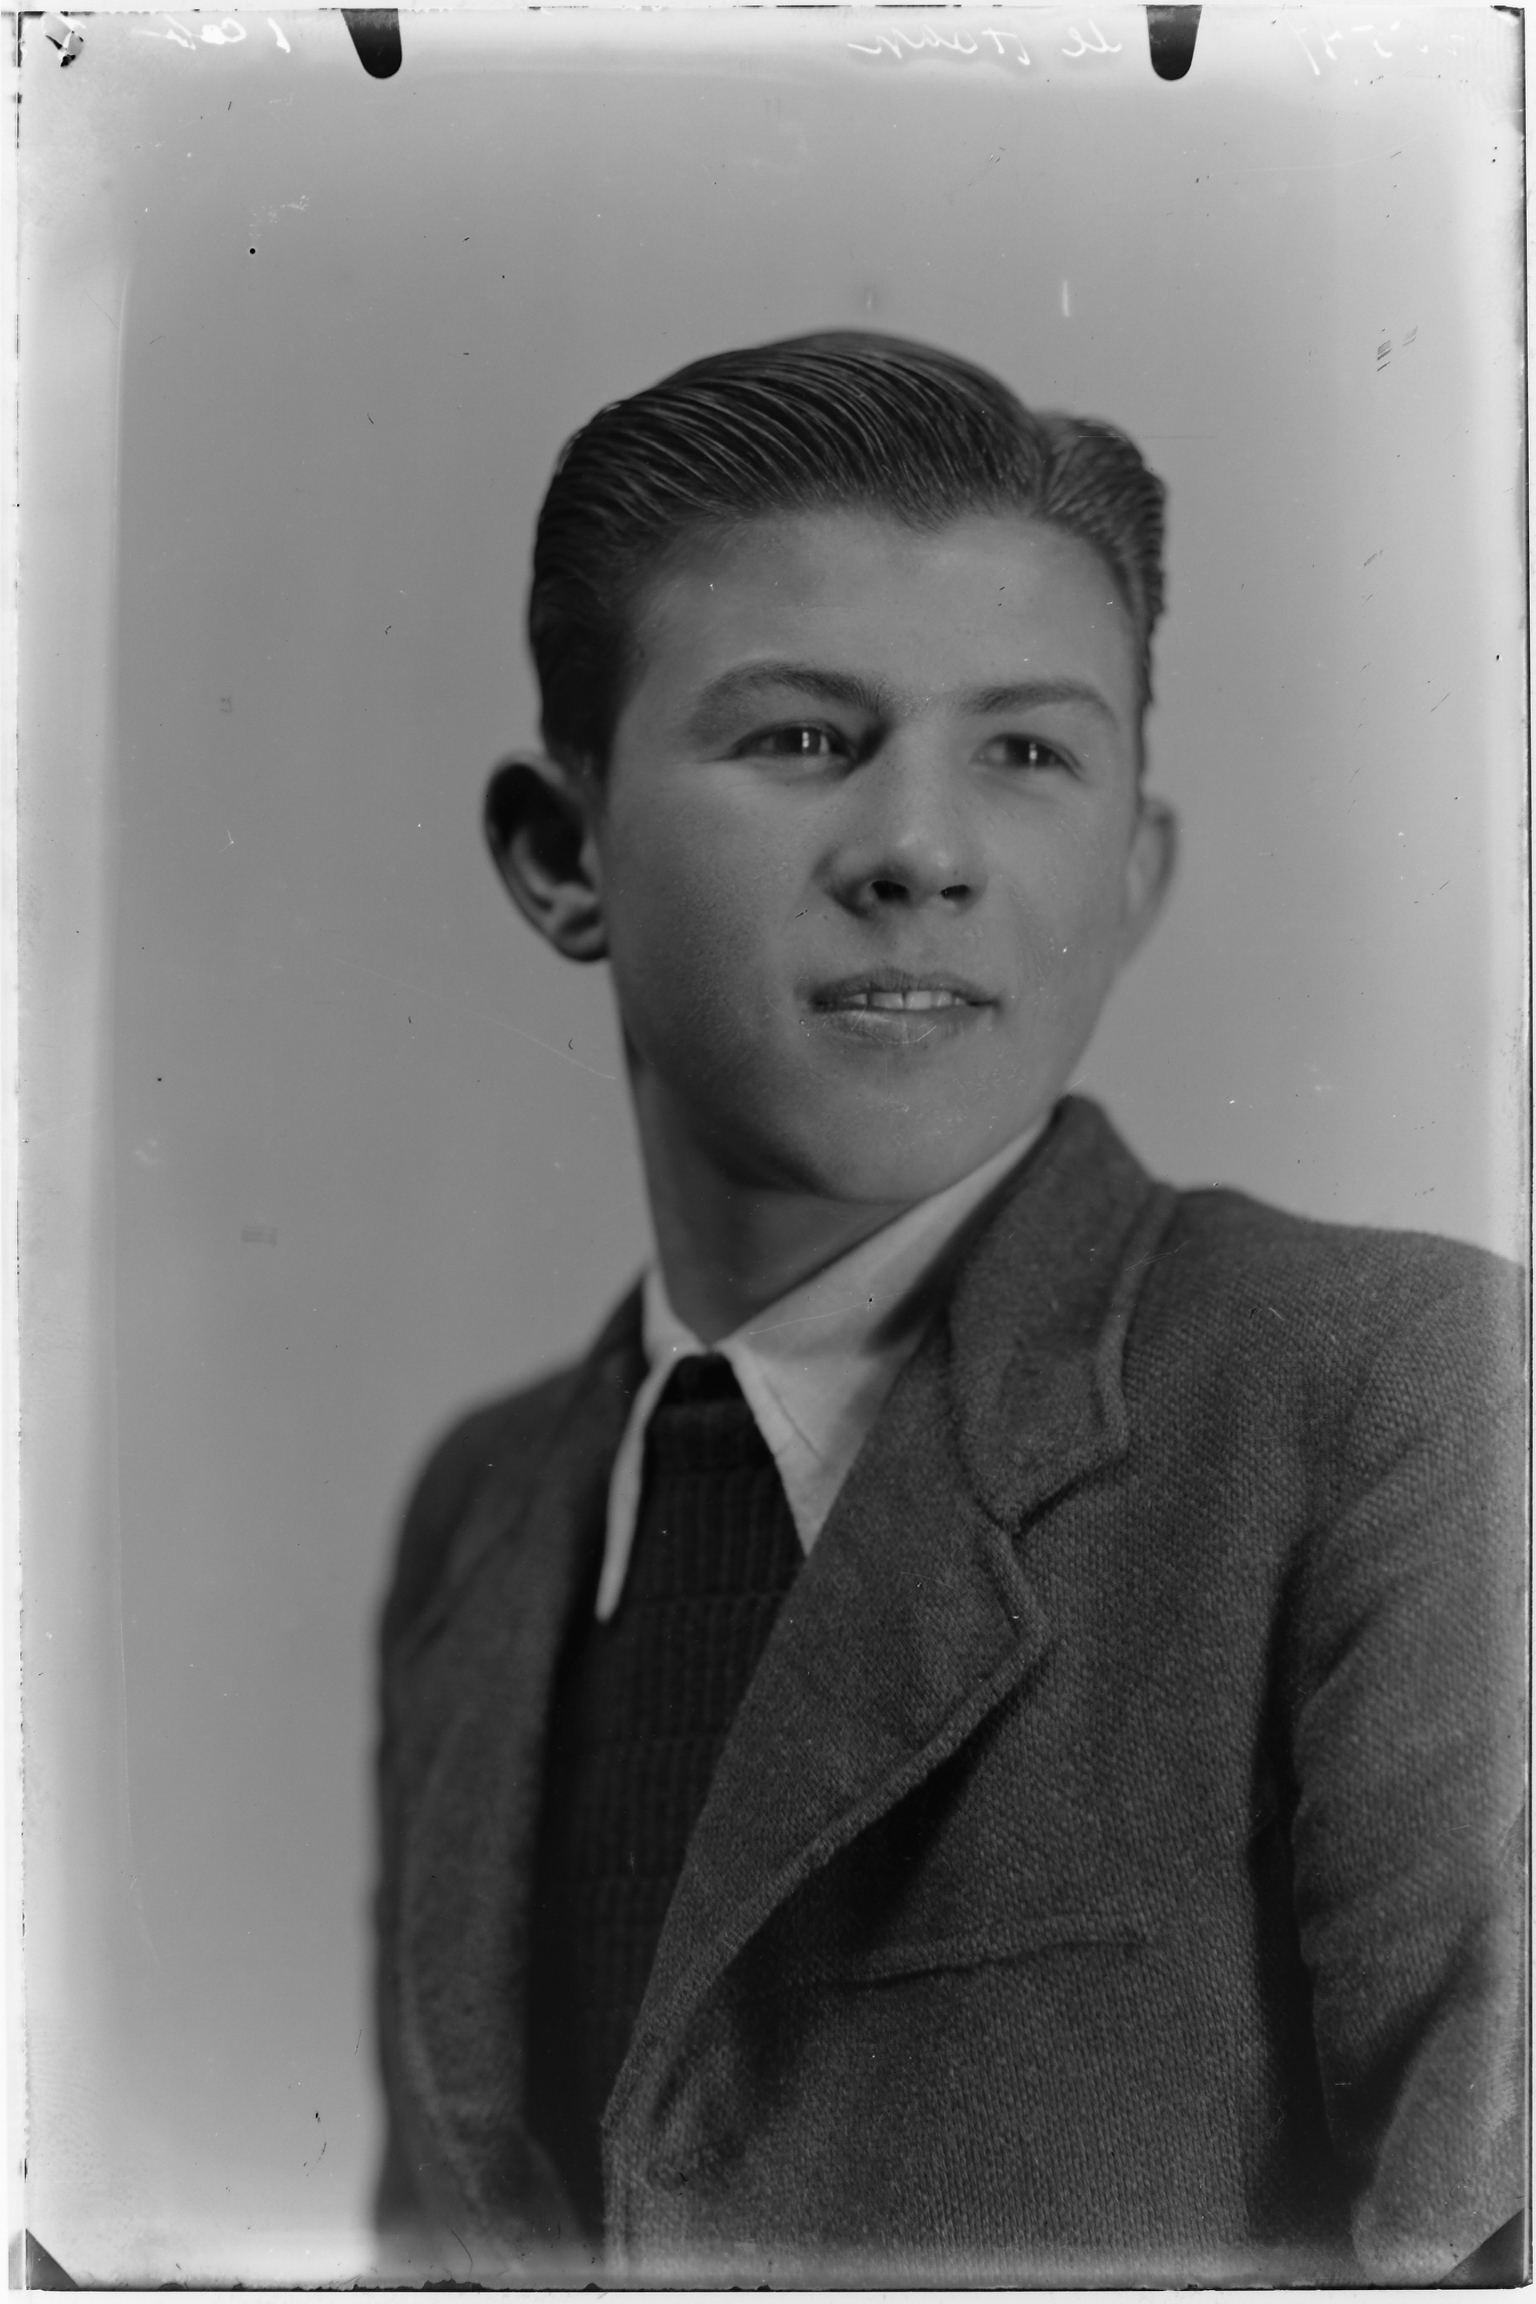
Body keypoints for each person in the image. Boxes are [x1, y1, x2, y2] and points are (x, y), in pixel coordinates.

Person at [372, 333, 1525, 2285]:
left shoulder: (1399, 1399)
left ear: (1133, 872)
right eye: (801, 737)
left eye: (1029, 753)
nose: (920, 852)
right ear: (564, 856)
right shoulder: (484, 1517)